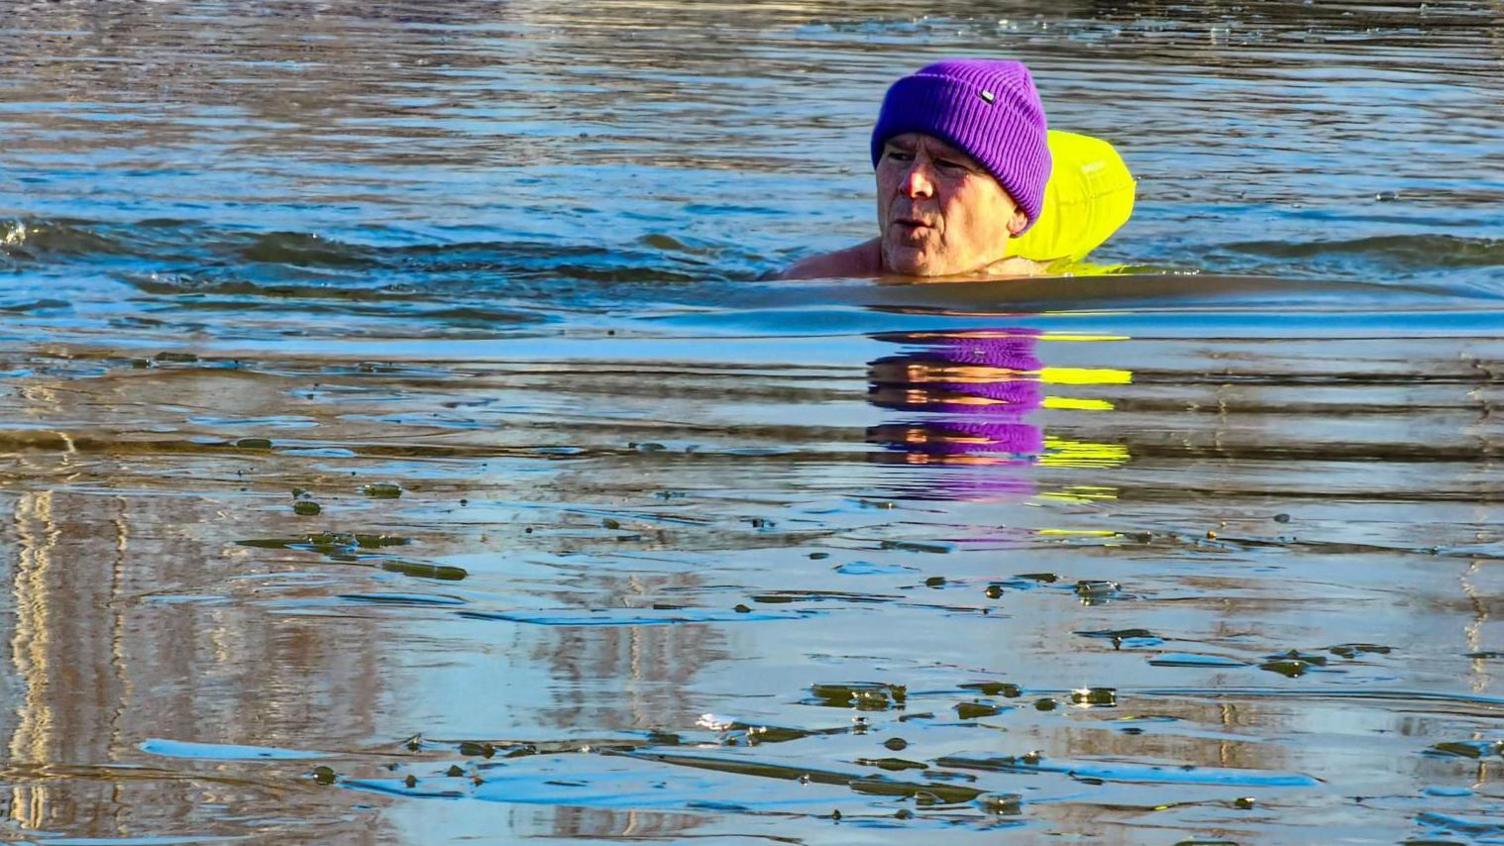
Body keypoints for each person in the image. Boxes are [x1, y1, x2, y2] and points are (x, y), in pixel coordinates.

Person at [776, 58, 1057, 281]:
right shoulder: (809, 287)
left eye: (947, 164)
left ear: (1018, 211)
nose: (911, 183)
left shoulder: (1055, 296)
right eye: (899, 156)